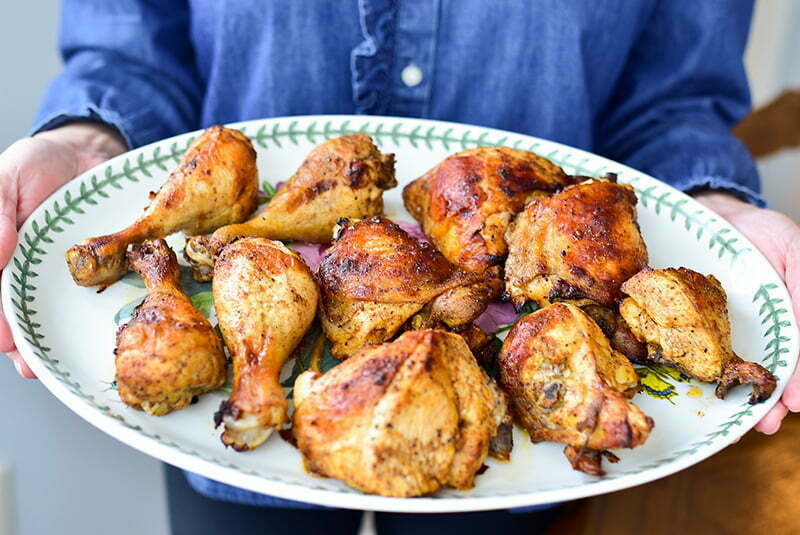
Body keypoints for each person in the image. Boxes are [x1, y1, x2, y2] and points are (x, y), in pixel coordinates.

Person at [2, 1, 799, 533]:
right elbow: (131, 43)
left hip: (521, 437)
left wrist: (713, 209)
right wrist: (87, 142)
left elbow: (674, 95)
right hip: (235, 459)